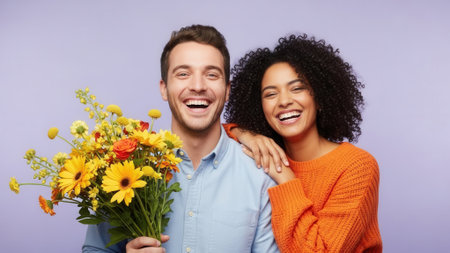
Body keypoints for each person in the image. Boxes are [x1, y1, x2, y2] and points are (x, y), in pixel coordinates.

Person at [82, 25, 279, 253]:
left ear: (227, 91)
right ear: (164, 89)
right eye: (183, 74)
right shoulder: (124, 170)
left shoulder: (260, 180)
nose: (197, 86)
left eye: (211, 74)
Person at [224, 34, 382, 252]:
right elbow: (210, 134)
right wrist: (243, 133)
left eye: (297, 88)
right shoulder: (263, 150)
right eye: (271, 94)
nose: (284, 101)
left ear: (320, 97)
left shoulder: (357, 167)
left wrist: (286, 178)